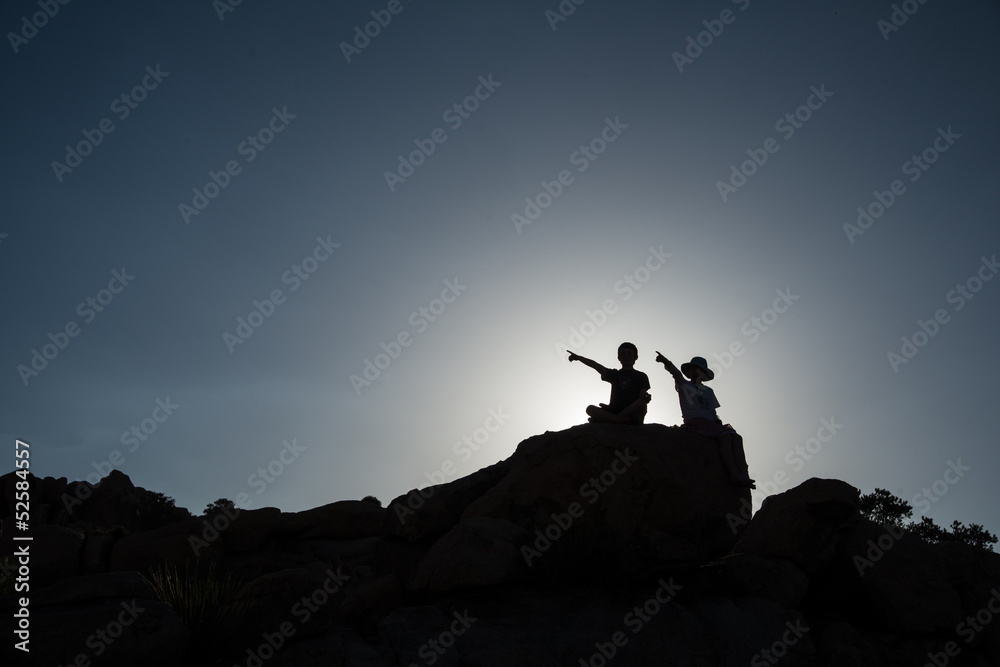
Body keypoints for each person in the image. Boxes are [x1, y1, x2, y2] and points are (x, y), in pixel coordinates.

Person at [655, 352, 755, 488]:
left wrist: (717, 422)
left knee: (737, 438)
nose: (695, 372)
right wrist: (665, 361)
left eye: (699, 370)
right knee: (726, 436)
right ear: (689, 372)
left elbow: (712, 411)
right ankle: (734, 473)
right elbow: (676, 373)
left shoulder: (708, 390)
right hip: (694, 421)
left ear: (703, 374)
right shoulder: (684, 385)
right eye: (693, 369)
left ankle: (744, 474)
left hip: (710, 423)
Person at [567, 342, 651, 424]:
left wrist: (645, 398)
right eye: (623, 354)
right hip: (614, 411)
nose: (626, 356)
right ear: (619, 357)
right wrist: (579, 358)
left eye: (629, 353)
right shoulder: (615, 374)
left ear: (635, 357)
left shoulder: (641, 376)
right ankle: (622, 420)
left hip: (630, 411)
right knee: (590, 409)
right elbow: (596, 366)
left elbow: (642, 396)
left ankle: (608, 420)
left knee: (641, 403)